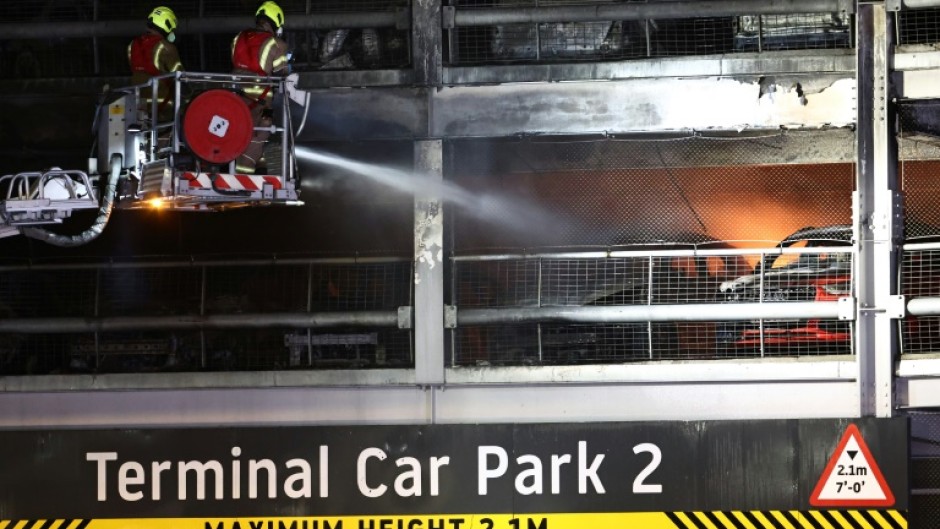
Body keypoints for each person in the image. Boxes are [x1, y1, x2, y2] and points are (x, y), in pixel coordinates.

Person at [231, 1, 289, 174]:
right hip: (260, 103)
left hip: (233, 100)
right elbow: (283, 74)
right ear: (275, 22)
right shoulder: (276, 44)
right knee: (257, 138)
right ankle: (243, 181)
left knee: (240, 139)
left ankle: (261, 169)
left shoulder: (238, 37)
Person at [127, 6, 183, 120]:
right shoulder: (167, 47)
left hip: (137, 104)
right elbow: (180, 76)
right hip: (163, 107)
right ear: (167, 26)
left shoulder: (132, 45)